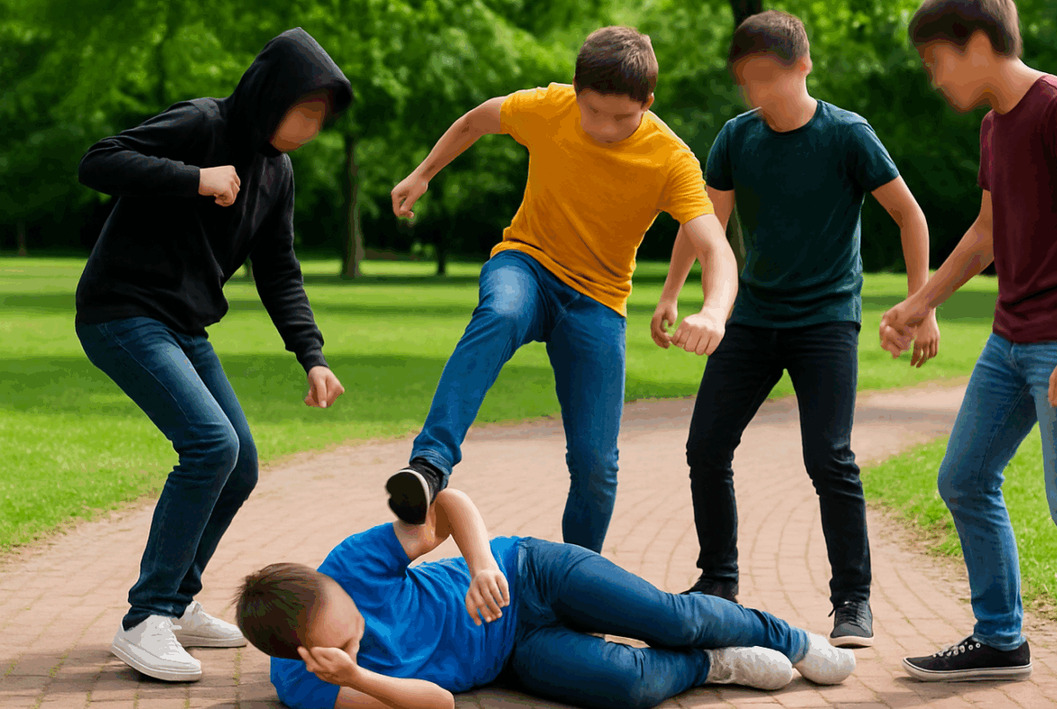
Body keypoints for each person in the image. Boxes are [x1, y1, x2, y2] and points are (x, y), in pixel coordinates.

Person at [879, 2, 1057, 708]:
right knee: (965, 477)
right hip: (1011, 339)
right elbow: (986, 232)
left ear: (977, 44)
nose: (934, 78)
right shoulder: (994, 124)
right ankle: (1001, 636)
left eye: (936, 61)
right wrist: (922, 302)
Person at [384, 26, 738, 552]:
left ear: (648, 102)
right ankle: (430, 466)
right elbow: (476, 120)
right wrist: (423, 173)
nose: (605, 128)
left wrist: (713, 310)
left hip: (597, 302)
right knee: (501, 314)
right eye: (593, 111)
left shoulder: (671, 159)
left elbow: (715, 246)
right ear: (575, 90)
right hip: (525, 265)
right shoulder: (549, 106)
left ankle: (576, 578)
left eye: (624, 117)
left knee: (597, 464)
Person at [654, 10, 939, 649]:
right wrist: (672, 294)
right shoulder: (737, 137)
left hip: (826, 321)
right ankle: (719, 582)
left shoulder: (848, 136)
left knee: (829, 457)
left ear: (802, 66)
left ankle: (853, 603)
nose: (758, 92)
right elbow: (706, 225)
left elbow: (909, 216)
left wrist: (923, 306)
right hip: (752, 319)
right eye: (748, 80)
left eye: (768, 77)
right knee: (706, 447)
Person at [75, 28, 352, 683]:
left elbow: (279, 270)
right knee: (209, 443)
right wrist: (193, 178)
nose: (312, 128)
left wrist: (310, 354)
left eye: (322, 119)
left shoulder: (276, 172)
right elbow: (98, 161)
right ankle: (146, 619)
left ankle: (179, 599)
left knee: (240, 461)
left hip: (183, 326)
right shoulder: (203, 123)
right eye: (304, 111)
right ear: (272, 94)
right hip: (121, 310)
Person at [236, 488, 858, 709]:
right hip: (514, 651)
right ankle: (715, 665)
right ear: (301, 653)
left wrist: (480, 566)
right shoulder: (308, 686)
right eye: (340, 642)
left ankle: (791, 639)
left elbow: (450, 503)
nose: (356, 631)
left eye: (346, 614)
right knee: (630, 687)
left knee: (668, 616)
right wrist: (361, 677)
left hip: (527, 571)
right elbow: (437, 702)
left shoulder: (350, 566)